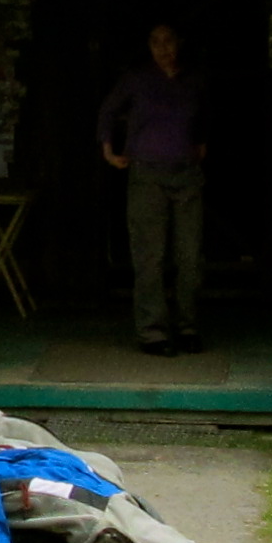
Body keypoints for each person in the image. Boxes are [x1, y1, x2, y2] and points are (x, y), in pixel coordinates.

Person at [95, 20, 206, 355]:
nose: (163, 48)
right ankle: (153, 332)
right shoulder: (138, 79)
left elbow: (204, 117)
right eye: (155, 41)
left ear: (179, 42)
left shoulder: (192, 80)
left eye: (168, 40)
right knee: (149, 256)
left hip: (185, 174)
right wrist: (109, 150)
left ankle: (187, 326)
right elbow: (108, 110)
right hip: (147, 174)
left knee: (189, 256)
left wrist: (200, 144)